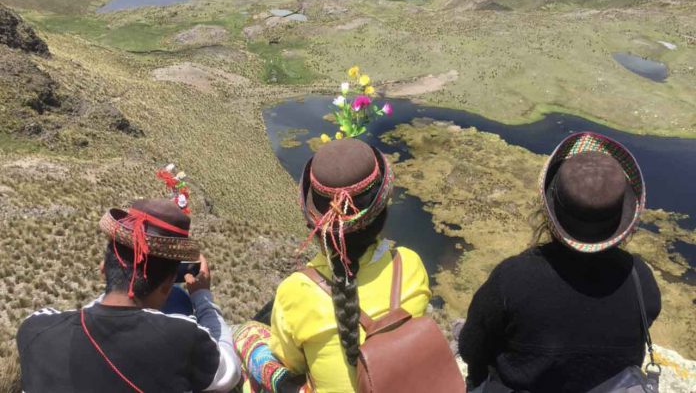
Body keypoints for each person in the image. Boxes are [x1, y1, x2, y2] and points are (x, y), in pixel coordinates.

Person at [458, 132, 661, 393]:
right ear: (623, 218)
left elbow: (471, 349)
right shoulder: (639, 279)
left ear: (551, 209)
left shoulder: (512, 279)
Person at [236, 138, 431, 393]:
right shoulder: (410, 265)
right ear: (381, 214)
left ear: (315, 227)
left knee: (248, 335)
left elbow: (291, 365)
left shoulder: (295, 291)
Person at [17, 198, 242, 392]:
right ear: (167, 284)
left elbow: (85, 317)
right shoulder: (182, 338)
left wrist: (115, 285)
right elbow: (230, 373)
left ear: (103, 267)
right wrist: (203, 297)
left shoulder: (33, 330)